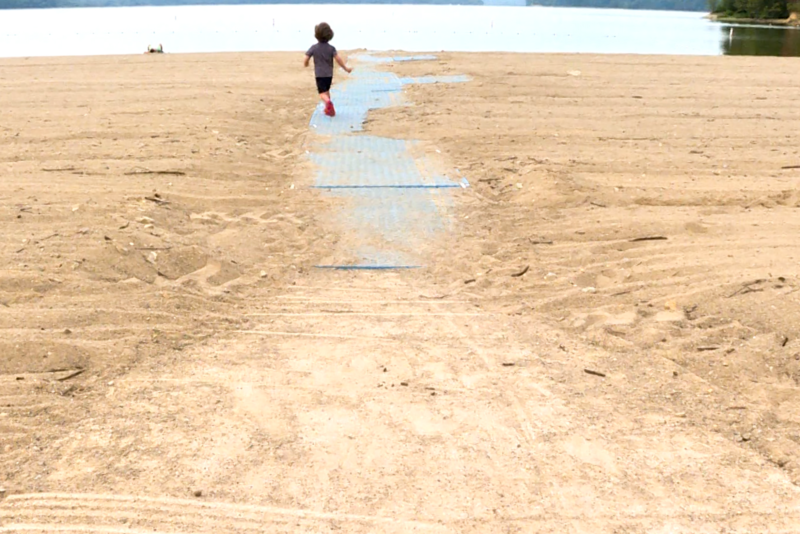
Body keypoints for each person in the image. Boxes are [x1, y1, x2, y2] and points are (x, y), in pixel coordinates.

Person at [304, 23, 352, 117]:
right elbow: (338, 59)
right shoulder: (331, 48)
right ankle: (328, 109)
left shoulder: (314, 47)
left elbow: (306, 57)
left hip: (319, 75)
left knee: (322, 93)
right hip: (329, 75)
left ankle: (328, 103)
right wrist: (346, 68)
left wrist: (306, 63)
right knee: (326, 91)